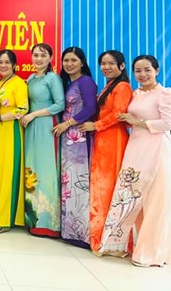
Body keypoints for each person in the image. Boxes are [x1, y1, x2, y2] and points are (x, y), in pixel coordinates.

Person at [99, 55, 171, 267]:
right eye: (138, 71)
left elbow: (167, 123)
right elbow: (130, 119)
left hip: (156, 150)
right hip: (135, 148)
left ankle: (152, 253)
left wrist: (137, 122)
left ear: (157, 70)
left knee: (156, 202)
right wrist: (128, 122)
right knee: (134, 199)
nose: (143, 74)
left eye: (147, 70)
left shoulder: (164, 93)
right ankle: (135, 245)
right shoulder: (136, 93)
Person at [79, 50, 132, 253]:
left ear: (122, 66)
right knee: (100, 187)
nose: (106, 67)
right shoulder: (109, 85)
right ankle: (99, 237)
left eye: (111, 63)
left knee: (108, 188)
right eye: (103, 64)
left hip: (113, 139)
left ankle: (111, 242)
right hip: (103, 139)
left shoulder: (122, 86)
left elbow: (119, 114)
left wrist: (96, 125)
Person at [52, 46, 97, 248]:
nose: (69, 64)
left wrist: (68, 124)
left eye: (73, 60)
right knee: (68, 181)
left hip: (78, 137)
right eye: (66, 60)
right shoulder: (69, 83)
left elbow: (90, 108)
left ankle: (81, 233)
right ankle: (69, 230)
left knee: (79, 182)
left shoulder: (85, 82)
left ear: (82, 63)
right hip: (67, 138)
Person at [20, 43, 65, 238]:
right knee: (32, 169)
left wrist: (34, 114)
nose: (38, 59)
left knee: (47, 171)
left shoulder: (52, 78)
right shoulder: (31, 78)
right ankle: (34, 221)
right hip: (31, 127)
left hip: (47, 125)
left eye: (43, 55)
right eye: (36, 55)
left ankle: (50, 223)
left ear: (50, 58)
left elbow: (60, 104)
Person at [0, 49, 28, 234]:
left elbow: (23, 109)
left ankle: (4, 219)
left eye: (7, 62)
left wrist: (0, 118)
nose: (3, 65)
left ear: (14, 65)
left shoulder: (19, 83)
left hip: (10, 131)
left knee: (6, 175)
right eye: (0, 62)